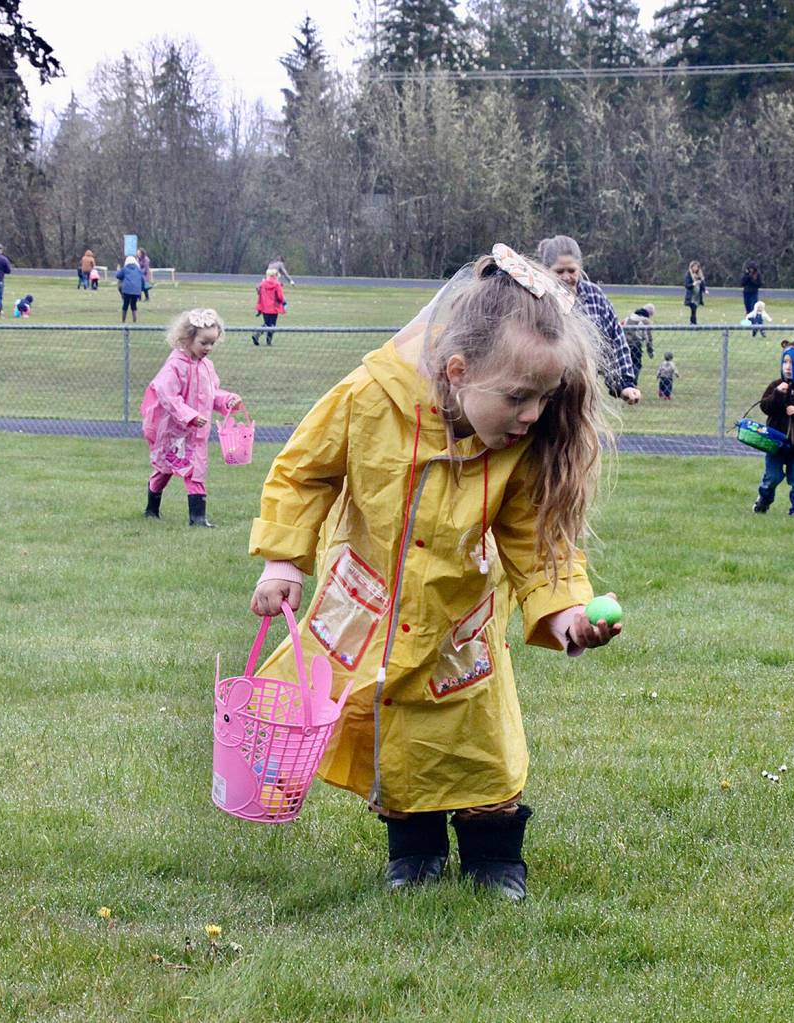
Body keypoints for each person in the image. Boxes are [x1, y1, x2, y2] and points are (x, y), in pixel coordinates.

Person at [248, 243, 622, 901]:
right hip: (373, 613)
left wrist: (564, 609)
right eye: (516, 397)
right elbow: (303, 470)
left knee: (479, 742)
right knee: (400, 737)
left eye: (542, 397)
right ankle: (412, 851)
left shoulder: (520, 445)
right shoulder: (370, 397)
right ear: (457, 370)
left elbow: (537, 540)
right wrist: (284, 557)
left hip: (461, 625)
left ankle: (495, 857)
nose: (532, 415)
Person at [140, 308, 242, 527]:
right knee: (165, 469)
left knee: (196, 470)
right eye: (204, 343)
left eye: (212, 343)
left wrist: (227, 401)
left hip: (197, 433)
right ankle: (152, 507)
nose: (209, 348)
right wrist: (189, 416)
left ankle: (198, 519)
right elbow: (166, 394)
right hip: (173, 431)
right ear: (188, 339)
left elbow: (212, 393)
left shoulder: (206, 367)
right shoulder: (176, 365)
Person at [536, 235, 640, 404]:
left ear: (580, 268)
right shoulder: (538, 299)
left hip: (585, 393)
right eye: (559, 271)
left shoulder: (594, 296)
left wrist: (624, 384)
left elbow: (614, 340)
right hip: (547, 395)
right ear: (546, 270)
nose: (566, 277)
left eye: (571, 270)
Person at [752, 341, 794, 521]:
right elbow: (765, 406)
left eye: (793, 363)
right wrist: (778, 394)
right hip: (775, 443)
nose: (788, 367)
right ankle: (763, 500)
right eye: (785, 362)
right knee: (772, 477)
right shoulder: (776, 385)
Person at [622, 304, 655, 386]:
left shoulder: (629, 317)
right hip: (636, 345)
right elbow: (649, 339)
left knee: (627, 363)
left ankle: (625, 381)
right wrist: (650, 351)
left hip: (625, 344)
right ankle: (632, 383)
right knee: (636, 364)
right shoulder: (645, 321)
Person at [252, 267, 286, 346]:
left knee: (267, 323)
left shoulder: (263, 284)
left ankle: (257, 334)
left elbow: (259, 292)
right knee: (272, 325)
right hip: (274, 307)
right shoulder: (277, 284)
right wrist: (283, 302)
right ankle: (268, 341)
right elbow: (280, 297)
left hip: (265, 307)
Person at [116, 255, 143, 323]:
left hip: (127, 290)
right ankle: (135, 320)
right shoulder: (138, 270)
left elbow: (118, 276)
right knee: (134, 305)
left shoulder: (125, 269)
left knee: (125, 305)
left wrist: (118, 270)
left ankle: (123, 320)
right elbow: (142, 279)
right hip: (136, 290)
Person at [683, 261, 706, 325]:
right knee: (693, 308)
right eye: (694, 267)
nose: (696, 268)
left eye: (697, 267)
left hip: (697, 295)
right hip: (691, 296)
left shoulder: (700, 275)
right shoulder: (688, 274)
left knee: (695, 308)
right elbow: (687, 285)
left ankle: (693, 322)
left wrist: (704, 290)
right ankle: (693, 322)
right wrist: (693, 284)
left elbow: (702, 284)